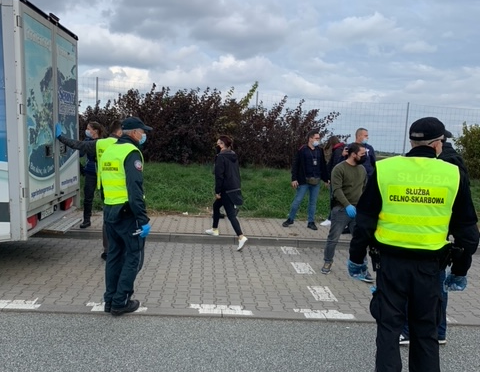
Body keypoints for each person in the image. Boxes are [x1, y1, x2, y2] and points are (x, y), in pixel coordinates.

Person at [348, 117, 479, 371]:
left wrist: (356, 260)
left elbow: (364, 223)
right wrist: (460, 271)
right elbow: (469, 234)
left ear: (411, 141)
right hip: (430, 268)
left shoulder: (386, 168)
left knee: (388, 331)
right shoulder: (453, 174)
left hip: (390, 265)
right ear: (438, 144)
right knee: (425, 334)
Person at [399, 127, 470, 346]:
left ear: (437, 143)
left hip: (428, 235)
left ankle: (412, 331)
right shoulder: (454, 162)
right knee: (437, 287)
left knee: (419, 288)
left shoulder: (447, 164)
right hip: (439, 234)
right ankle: (438, 331)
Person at [100, 116, 152, 316]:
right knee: (133, 257)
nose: (144, 135)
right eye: (142, 131)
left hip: (110, 211)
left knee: (114, 255)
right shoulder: (131, 153)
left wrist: (107, 207)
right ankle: (121, 301)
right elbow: (135, 189)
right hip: (127, 213)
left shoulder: (109, 150)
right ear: (134, 133)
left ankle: (109, 300)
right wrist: (143, 219)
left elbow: (103, 184)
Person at [56, 120, 123, 260]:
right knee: (118, 218)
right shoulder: (126, 145)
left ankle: (108, 250)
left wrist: (60, 137)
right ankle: (118, 248)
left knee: (108, 219)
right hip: (118, 187)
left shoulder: (100, 143)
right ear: (120, 132)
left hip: (106, 186)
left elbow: (77, 145)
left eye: (89, 129)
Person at [321, 143, 370, 278]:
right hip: (341, 209)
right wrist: (347, 205)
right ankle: (327, 262)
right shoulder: (339, 169)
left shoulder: (362, 170)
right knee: (333, 238)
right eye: (362, 154)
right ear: (353, 154)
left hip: (358, 210)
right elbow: (337, 190)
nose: (364, 156)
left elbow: (364, 188)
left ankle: (362, 268)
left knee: (360, 241)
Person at [205, 135, 248, 251]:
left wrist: (217, 191)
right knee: (216, 206)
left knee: (230, 214)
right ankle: (214, 229)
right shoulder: (233, 155)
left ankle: (241, 236)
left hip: (226, 189)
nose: (217, 146)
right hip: (234, 186)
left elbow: (219, 176)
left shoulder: (221, 157)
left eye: (219, 144)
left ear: (223, 145)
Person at [282, 129, 329, 230]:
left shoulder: (319, 150)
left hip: (316, 180)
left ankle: (311, 222)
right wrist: (294, 178)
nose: (318, 140)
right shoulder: (302, 149)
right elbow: (296, 164)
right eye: (316, 138)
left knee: (313, 202)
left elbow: (323, 165)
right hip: (304, 180)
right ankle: (290, 219)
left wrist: (326, 179)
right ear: (310, 138)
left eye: (319, 138)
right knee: (297, 200)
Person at [79, 122, 107, 228]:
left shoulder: (104, 141)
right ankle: (86, 220)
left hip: (103, 173)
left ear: (95, 130)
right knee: (88, 197)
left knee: (105, 197)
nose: (87, 131)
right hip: (90, 172)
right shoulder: (87, 141)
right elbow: (80, 153)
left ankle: (107, 219)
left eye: (88, 129)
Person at [321, 136, 347, 227]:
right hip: (338, 179)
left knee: (334, 199)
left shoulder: (337, 151)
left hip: (335, 180)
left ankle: (331, 219)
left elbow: (335, 166)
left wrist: (329, 178)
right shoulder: (340, 149)